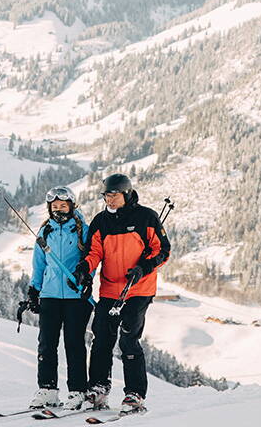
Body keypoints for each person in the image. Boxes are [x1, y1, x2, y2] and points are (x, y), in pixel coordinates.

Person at [73, 173, 171, 415]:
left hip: (138, 288)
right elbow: (94, 252)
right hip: (109, 289)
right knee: (102, 338)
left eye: (114, 195)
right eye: (106, 195)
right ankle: (98, 388)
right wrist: (86, 268)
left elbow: (163, 250)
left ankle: (134, 394)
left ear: (126, 194)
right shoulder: (101, 221)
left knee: (128, 338)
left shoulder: (146, 217)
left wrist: (144, 267)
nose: (110, 200)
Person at [27, 186, 93, 411]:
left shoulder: (83, 231)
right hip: (50, 295)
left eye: (63, 206)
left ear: (72, 206)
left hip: (76, 296)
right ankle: (47, 390)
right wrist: (34, 290)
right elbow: (39, 264)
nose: (59, 211)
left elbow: (92, 259)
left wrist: (86, 279)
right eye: (54, 207)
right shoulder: (45, 232)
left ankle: (77, 391)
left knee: (74, 344)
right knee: (46, 344)